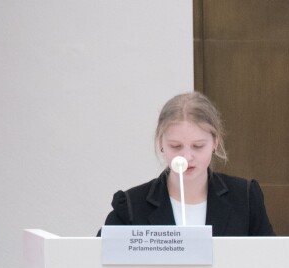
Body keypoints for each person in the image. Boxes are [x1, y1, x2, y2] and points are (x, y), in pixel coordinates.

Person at [102, 91, 275, 236]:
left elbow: (269, 262)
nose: (186, 157)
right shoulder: (131, 206)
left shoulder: (245, 198)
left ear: (215, 142)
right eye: (176, 146)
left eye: (198, 146)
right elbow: (98, 262)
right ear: (160, 143)